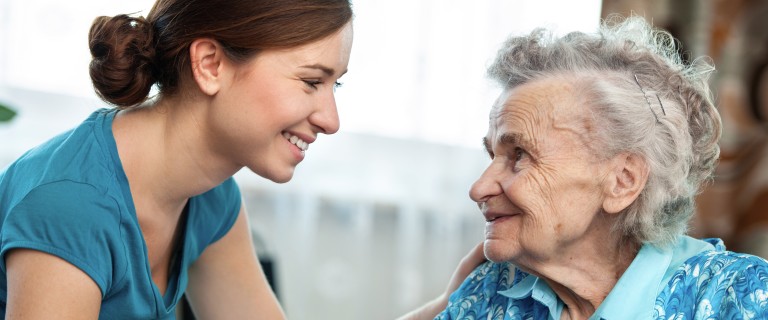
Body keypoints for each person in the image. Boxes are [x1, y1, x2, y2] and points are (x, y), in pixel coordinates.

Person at [0, 0, 354, 318]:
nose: (331, 120)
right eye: (311, 82)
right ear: (210, 64)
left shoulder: (210, 197)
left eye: (333, 85)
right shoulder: (72, 206)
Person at [434, 16, 768, 319]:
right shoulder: (494, 289)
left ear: (623, 181)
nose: (478, 188)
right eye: (492, 155)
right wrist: (446, 303)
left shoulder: (740, 297)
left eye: (519, 155)